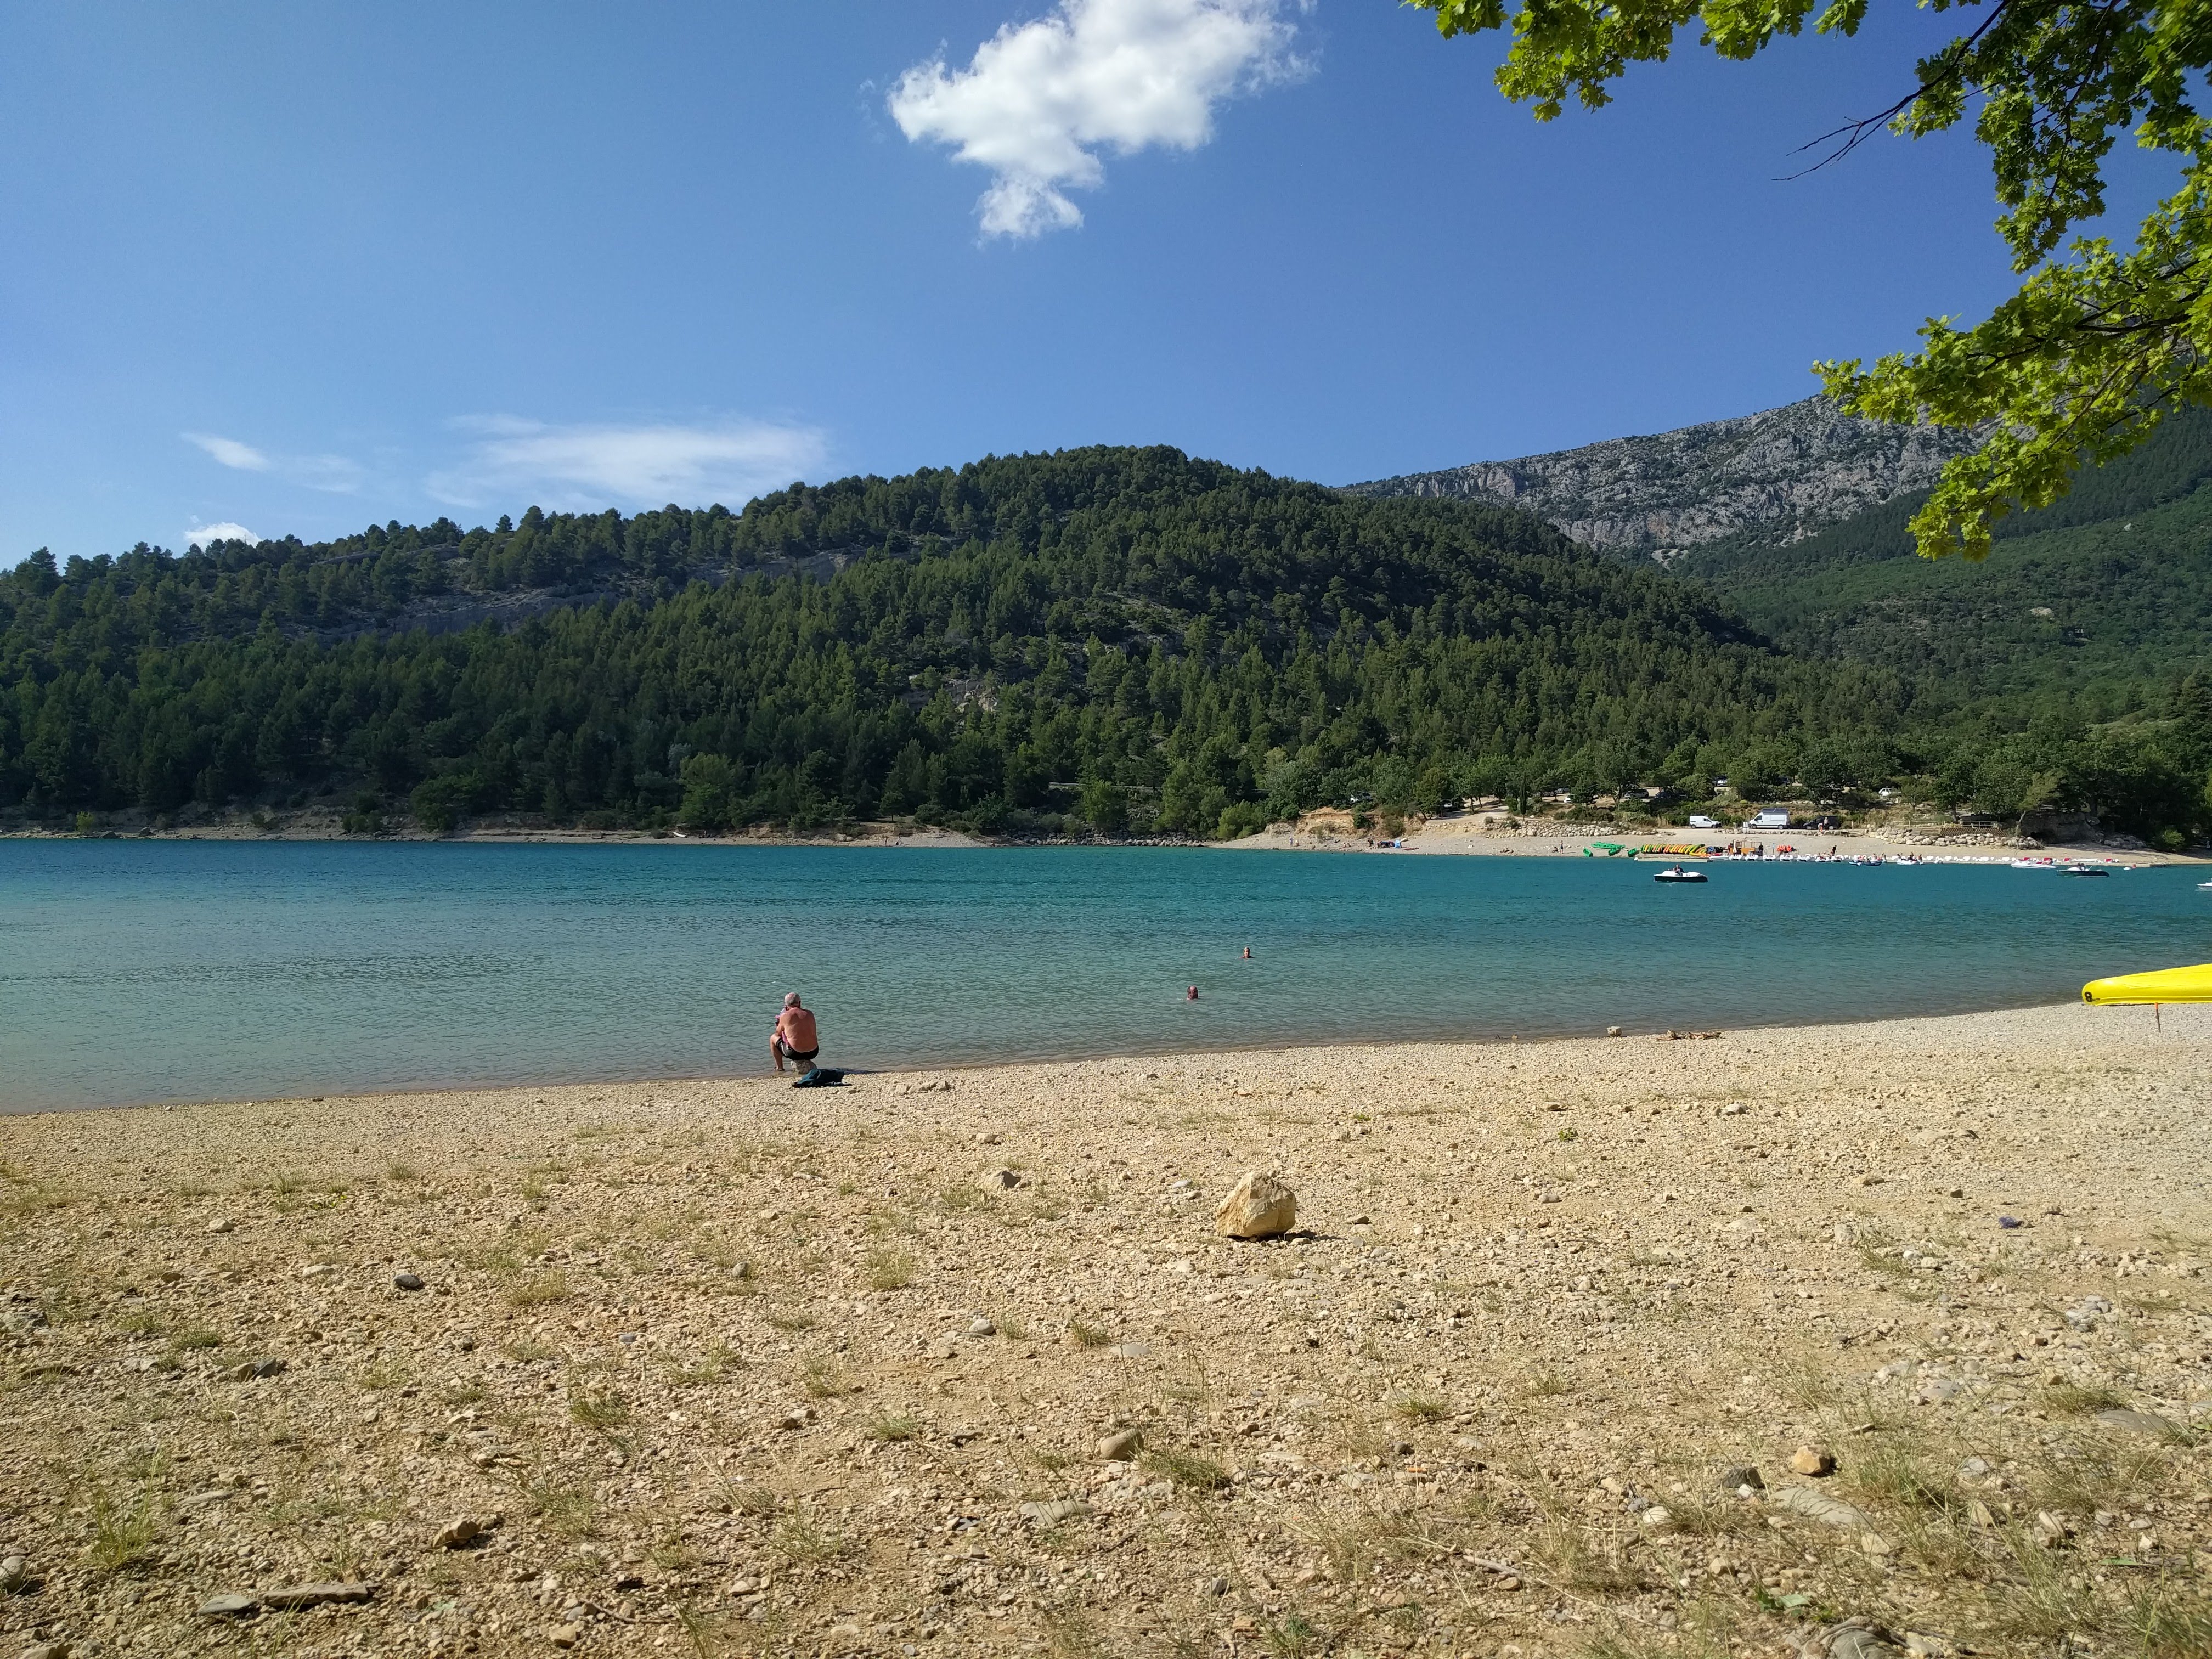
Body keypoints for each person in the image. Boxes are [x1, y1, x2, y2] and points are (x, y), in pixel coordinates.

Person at [770, 992, 819, 1073]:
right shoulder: (810, 1014)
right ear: (800, 1003)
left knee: (773, 1038)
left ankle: (779, 1068)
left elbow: (778, 1033)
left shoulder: (785, 1016)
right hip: (813, 1052)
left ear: (786, 1006)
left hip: (795, 1053)